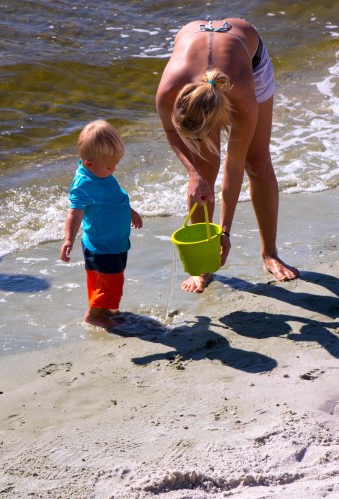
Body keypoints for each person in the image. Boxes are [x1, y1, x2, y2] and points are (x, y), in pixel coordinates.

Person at [156, 17, 299, 293]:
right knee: (203, 170)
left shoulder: (242, 98)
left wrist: (225, 231)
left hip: (249, 60)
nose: (202, 141)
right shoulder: (167, 92)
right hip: (198, 43)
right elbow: (171, 131)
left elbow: (234, 166)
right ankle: (203, 265)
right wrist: (193, 172)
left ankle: (270, 254)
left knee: (256, 162)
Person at [60, 120, 143, 329]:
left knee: (108, 279)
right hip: (101, 245)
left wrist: (130, 212)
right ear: (89, 164)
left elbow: (116, 198)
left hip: (114, 242)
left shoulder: (100, 173)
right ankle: (93, 315)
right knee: (110, 281)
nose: (113, 169)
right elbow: (74, 214)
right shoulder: (83, 185)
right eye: (109, 166)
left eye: (115, 164)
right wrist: (68, 239)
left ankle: (102, 309)